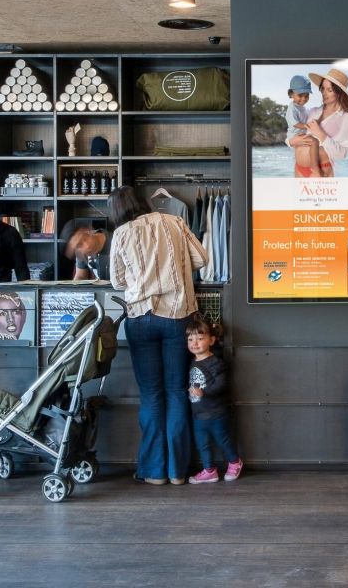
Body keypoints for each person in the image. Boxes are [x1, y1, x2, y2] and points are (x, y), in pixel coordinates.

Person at [108, 185, 207, 485]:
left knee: (152, 395)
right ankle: (178, 472)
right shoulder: (174, 222)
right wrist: (174, 269)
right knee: (177, 392)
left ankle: (153, 472)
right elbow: (202, 258)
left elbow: (116, 281)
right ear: (143, 202)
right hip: (178, 315)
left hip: (140, 317)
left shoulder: (121, 233)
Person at [185, 318, 243, 484]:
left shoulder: (215, 362)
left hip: (216, 413)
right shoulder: (192, 361)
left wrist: (203, 392)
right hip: (198, 413)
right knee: (202, 444)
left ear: (211, 340)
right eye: (190, 339)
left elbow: (222, 385)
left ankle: (234, 462)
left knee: (223, 440)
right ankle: (209, 470)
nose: (194, 343)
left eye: (200, 338)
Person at [290, 68, 348, 178]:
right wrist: (291, 141)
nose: (324, 93)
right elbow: (295, 133)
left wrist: (320, 133)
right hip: (298, 168)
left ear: (340, 94)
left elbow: (342, 154)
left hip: (321, 170)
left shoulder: (347, 119)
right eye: (323, 89)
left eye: (329, 90)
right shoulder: (313, 111)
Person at [284, 75, 322, 178]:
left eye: (307, 96)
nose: (304, 99)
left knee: (302, 153)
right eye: (300, 95)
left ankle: (304, 168)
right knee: (315, 142)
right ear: (291, 94)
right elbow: (294, 123)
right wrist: (306, 126)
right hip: (294, 135)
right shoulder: (292, 108)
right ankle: (315, 168)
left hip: (299, 135)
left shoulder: (302, 108)